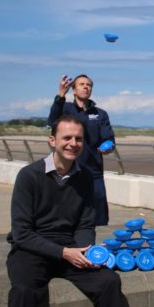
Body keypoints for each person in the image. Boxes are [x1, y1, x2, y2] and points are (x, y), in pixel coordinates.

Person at [6, 115, 124, 307]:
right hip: (32, 249)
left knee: (109, 282)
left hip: (71, 247)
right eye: (67, 138)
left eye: (78, 139)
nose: (73, 143)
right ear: (52, 140)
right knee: (23, 292)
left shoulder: (85, 178)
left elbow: (85, 224)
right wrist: (63, 252)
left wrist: (85, 249)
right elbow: (22, 233)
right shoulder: (29, 176)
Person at [48, 74, 115, 226]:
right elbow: (52, 121)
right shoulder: (65, 109)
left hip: (94, 171)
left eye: (88, 85)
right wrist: (60, 95)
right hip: (68, 171)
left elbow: (108, 138)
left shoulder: (100, 114)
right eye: (81, 84)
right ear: (74, 90)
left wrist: (108, 147)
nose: (86, 87)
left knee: (98, 216)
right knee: (67, 213)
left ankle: (94, 248)